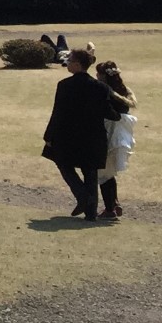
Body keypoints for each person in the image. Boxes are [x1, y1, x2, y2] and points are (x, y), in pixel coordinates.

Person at [42, 48, 120, 218]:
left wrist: (48, 136)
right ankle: (91, 213)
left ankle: (83, 196)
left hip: (68, 137)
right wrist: (119, 114)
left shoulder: (64, 85)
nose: (67, 63)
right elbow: (109, 113)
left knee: (64, 165)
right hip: (94, 137)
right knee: (90, 172)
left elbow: (58, 113)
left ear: (77, 65)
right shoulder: (100, 87)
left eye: (69, 60)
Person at [95, 61, 137, 219]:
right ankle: (114, 203)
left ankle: (110, 208)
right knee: (109, 172)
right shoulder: (124, 91)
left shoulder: (105, 92)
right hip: (123, 131)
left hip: (110, 131)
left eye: (99, 74)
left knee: (105, 172)